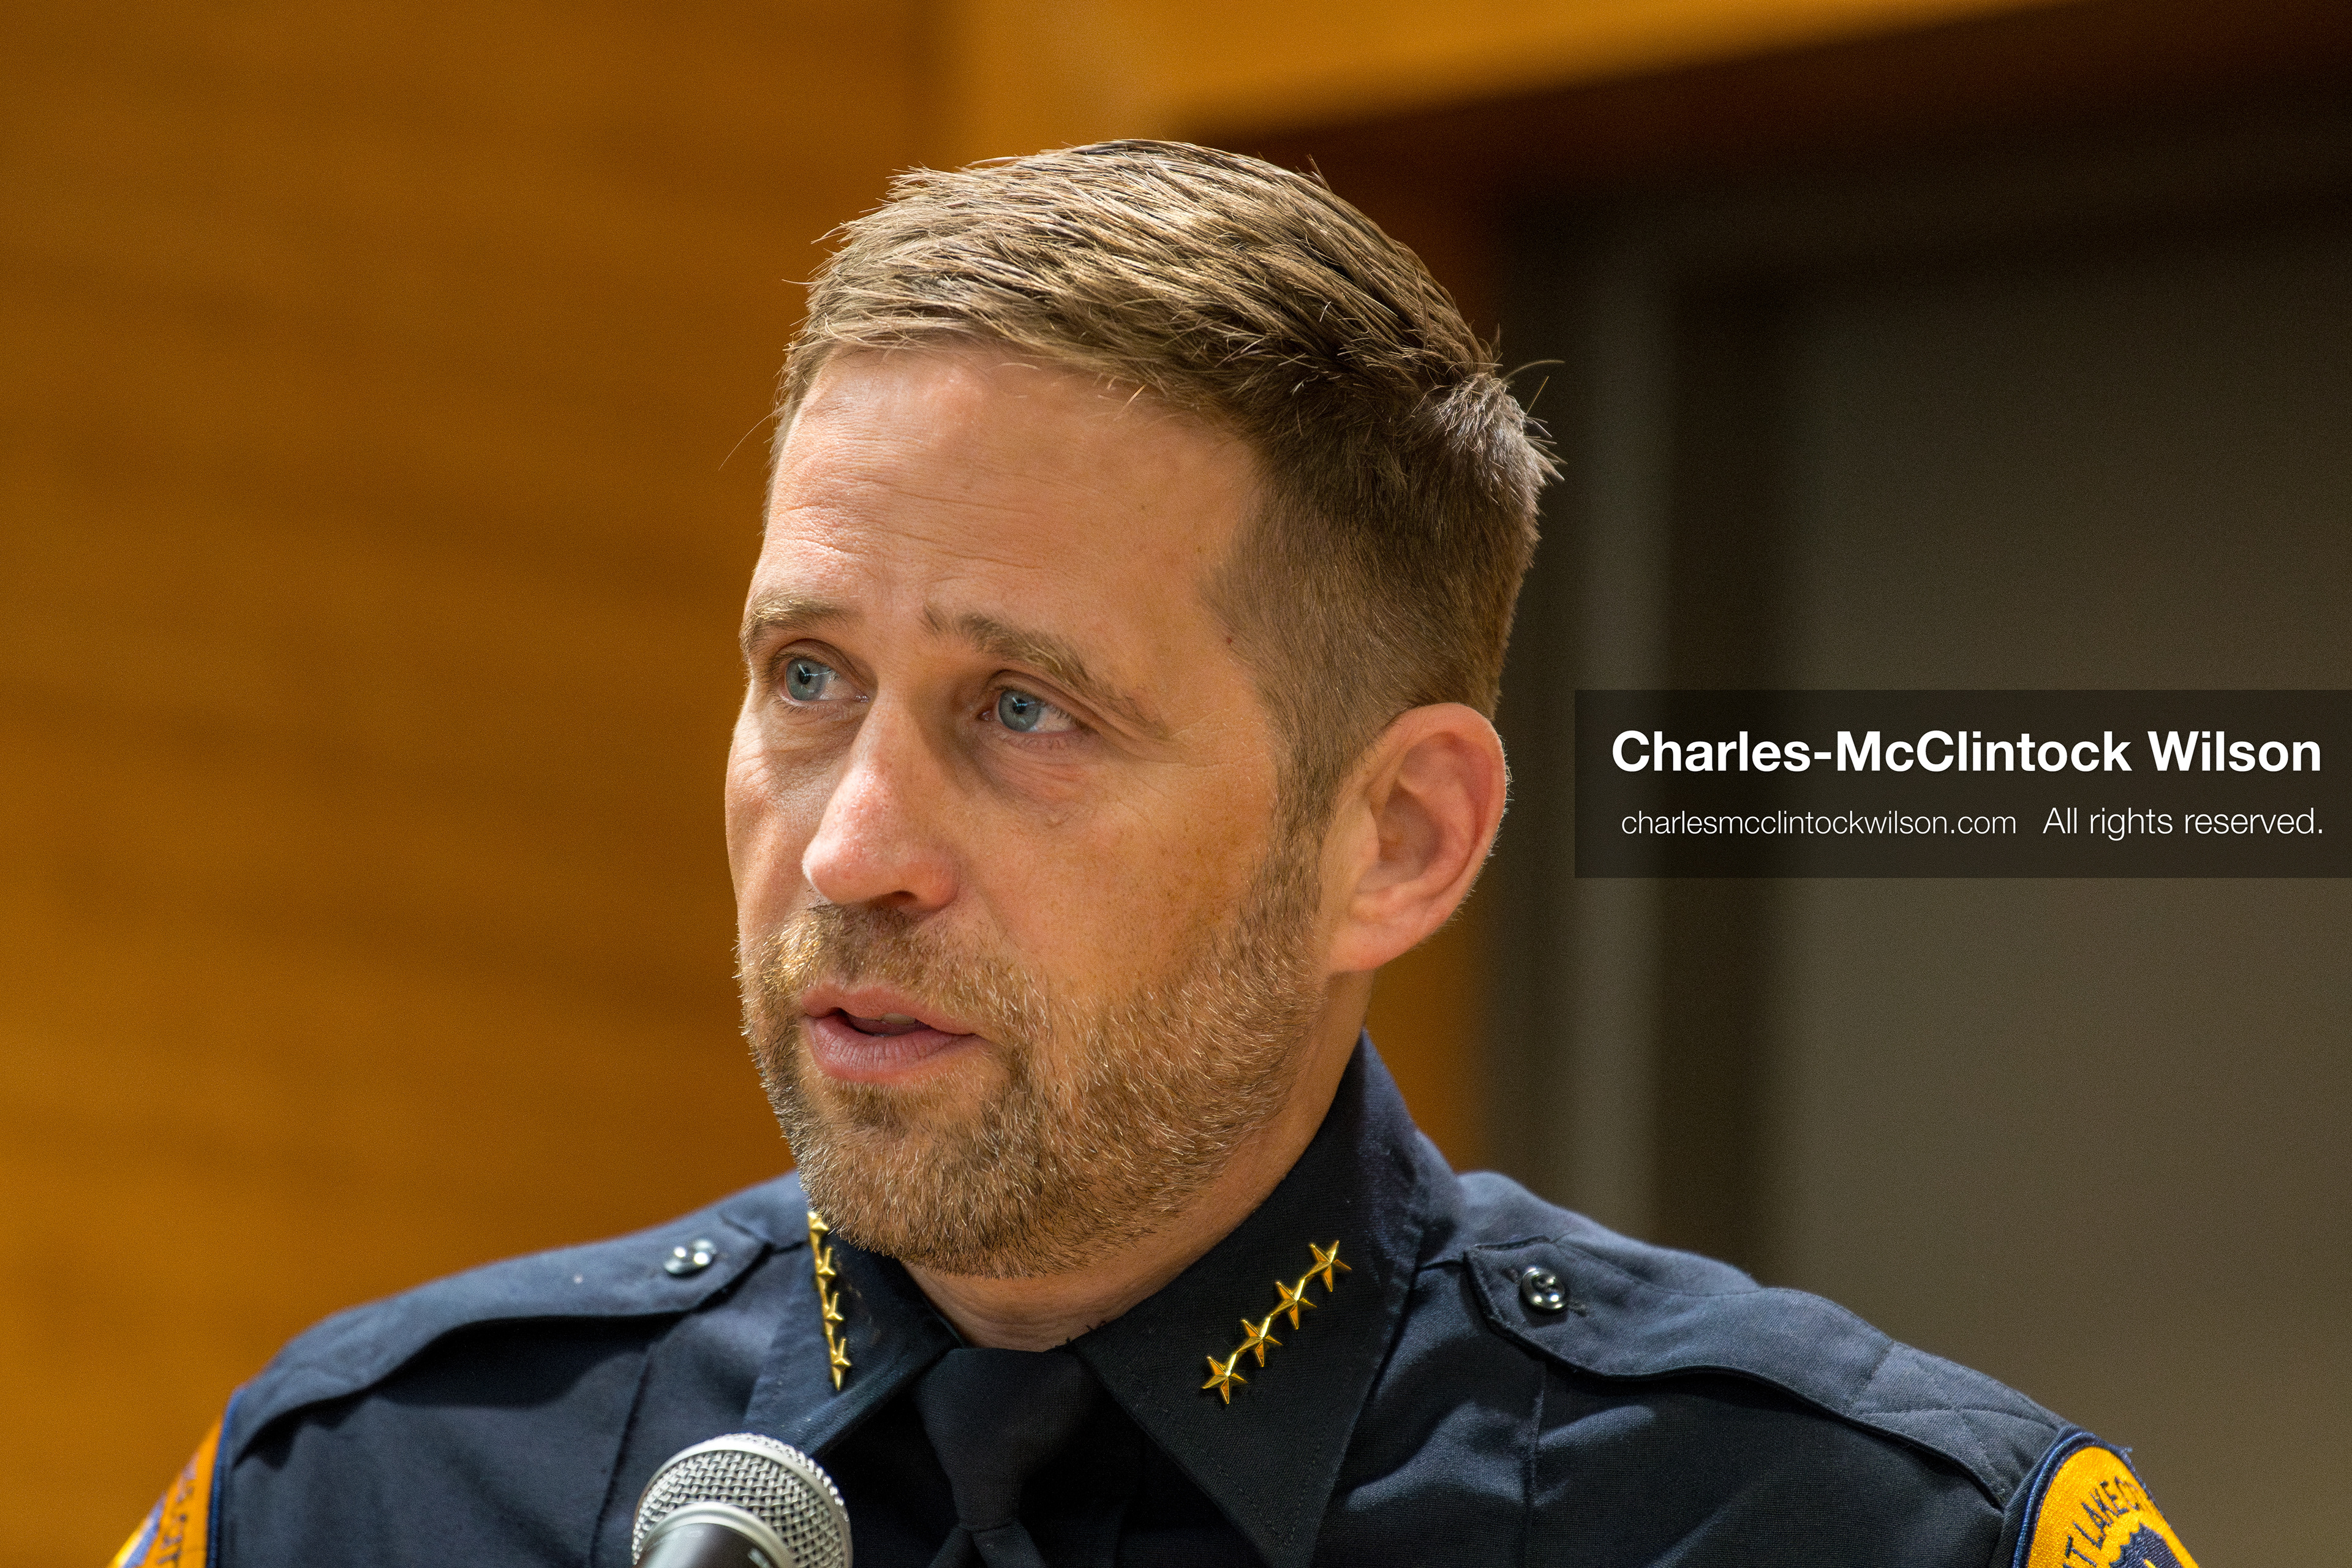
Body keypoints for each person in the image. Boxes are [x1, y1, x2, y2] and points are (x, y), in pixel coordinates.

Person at [114, 141, 2196, 1568]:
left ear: (1397, 838)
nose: (854, 844)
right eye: (808, 676)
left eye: (1027, 714)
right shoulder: (371, 1485)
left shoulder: (1859, 1532)